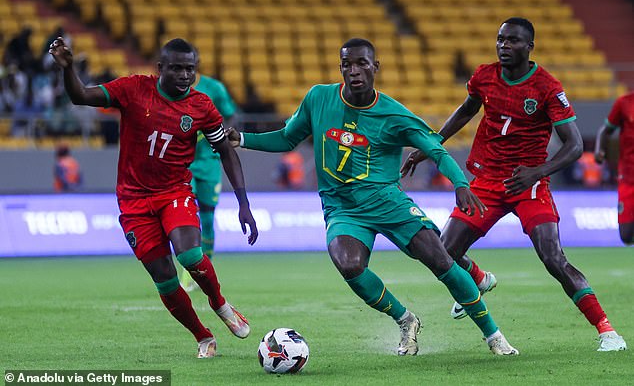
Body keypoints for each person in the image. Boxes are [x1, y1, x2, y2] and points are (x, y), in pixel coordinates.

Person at [227, 38, 518, 356]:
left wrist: (461, 183)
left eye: (361, 63)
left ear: (374, 67)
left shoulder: (393, 114)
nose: (354, 70)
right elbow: (286, 137)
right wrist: (242, 138)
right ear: (340, 67)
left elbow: (434, 148)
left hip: (388, 202)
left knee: (440, 261)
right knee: (349, 264)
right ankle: (406, 320)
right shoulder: (318, 98)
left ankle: (493, 336)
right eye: (347, 64)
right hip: (342, 207)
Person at [401, 17, 627, 352]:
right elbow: (465, 112)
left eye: (513, 41)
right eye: (501, 39)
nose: (504, 46)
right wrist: (430, 147)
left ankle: (608, 331)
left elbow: (575, 146)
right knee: (443, 252)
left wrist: (538, 171)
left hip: (529, 184)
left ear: (529, 47)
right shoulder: (484, 76)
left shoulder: (547, 87)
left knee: (552, 257)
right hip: (488, 180)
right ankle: (478, 278)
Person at [49, 37, 258, 358]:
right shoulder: (133, 89)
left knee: (189, 255)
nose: (184, 75)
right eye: (176, 68)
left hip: (174, 192)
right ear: (160, 68)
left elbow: (226, 152)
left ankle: (220, 304)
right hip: (133, 202)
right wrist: (68, 68)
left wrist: (244, 203)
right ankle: (203, 337)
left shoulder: (202, 106)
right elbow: (80, 95)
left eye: (190, 69)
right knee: (164, 277)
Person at [180, 74, 237, 292]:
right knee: (187, 215)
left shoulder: (214, 88)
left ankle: (204, 269)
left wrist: (219, 137)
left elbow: (231, 115)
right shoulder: (172, 90)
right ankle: (187, 271)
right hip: (184, 162)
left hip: (210, 163)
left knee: (207, 219)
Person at [595, 90, 634, 245]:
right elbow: (605, 130)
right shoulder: (624, 102)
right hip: (628, 176)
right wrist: (599, 150)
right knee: (626, 235)